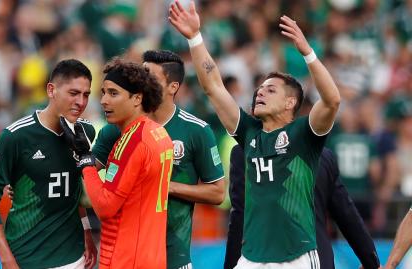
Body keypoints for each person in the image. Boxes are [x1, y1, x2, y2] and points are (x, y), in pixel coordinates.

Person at [169, 0, 341, 267]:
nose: (260, 92)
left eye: (271, 90)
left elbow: (332, 101)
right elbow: (214, 87)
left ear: (290, 103)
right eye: (260, 88)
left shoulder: (304, 134)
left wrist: (308, 53)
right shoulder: (249, 133)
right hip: (250, 258)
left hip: (296, 257)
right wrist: (195, 38)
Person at [91, 49, 225, 269]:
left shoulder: (196, 131)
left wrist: (163, 186)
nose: (142, 82)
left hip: (175, 254)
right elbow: (87, 178)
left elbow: (218, 192)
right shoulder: (116, 129)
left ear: (173, 87)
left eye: (150, 77)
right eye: (141, 74)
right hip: (127, 255)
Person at [0, 59, 97, 268]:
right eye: (73, 93)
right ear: (51, 90)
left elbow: (75, 187)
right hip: (27, 257)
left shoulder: (85, 133)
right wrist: (6, 258)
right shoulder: (16, 136)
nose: (81, 101)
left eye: (86, 94)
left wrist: (87, 230)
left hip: (74, 256)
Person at [61, 58, 173, 269]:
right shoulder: (159, 133)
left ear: (137, 98)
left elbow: (105, 206)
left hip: (126, 259)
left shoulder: (133, 141)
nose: (104, 101)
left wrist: (86, 159)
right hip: (153, 257)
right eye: (103, 92)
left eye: (113, 93)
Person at [224, 145, 381, 269]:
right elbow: (347, 214)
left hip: (274, 258)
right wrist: (371, 261)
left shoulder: (244, 152)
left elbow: (240, 217)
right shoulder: (320, 154)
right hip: (314, 259)